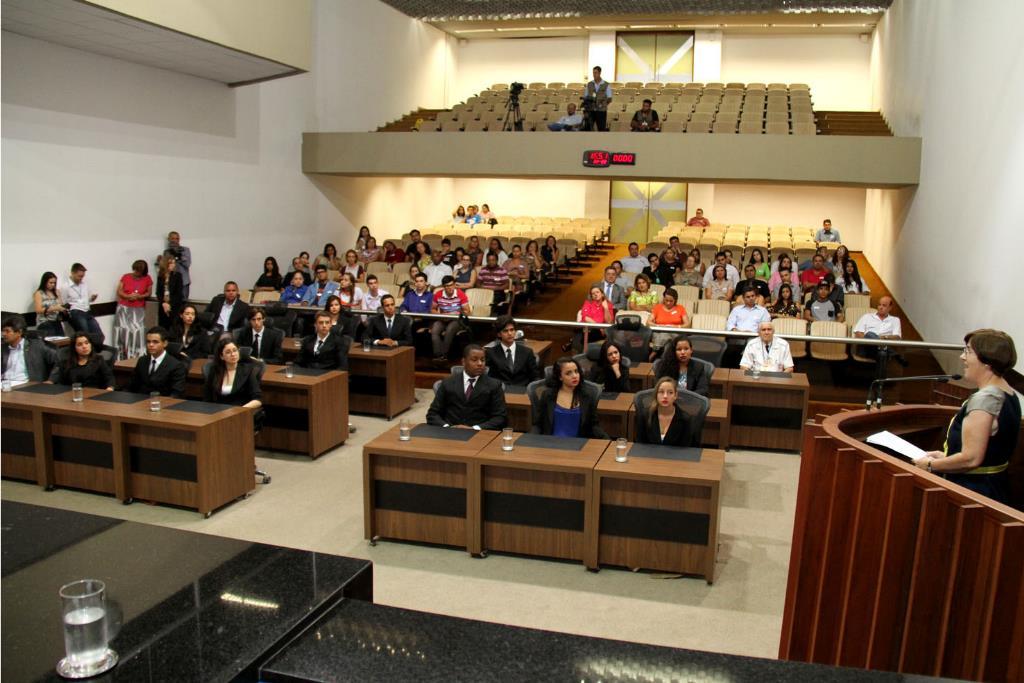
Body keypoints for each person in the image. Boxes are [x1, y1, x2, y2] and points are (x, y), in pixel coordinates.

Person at [915, 330, 1020, 506]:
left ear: (987, 361)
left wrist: (930, 466)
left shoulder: (986, 399)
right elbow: (987, 453)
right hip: (993, 487)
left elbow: (971, 458)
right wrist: (945, 457)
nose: (962, 357)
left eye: (968, 351)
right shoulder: (1007, 391)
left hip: (972, 494)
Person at [426, 345, 507, 430]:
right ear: (463, 362)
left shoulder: (494, 385)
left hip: (479, 434)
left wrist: (475, 428)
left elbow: (500, 418)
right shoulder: (447, 382)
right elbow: (432, 414)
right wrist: (448, 427)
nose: (480, 363)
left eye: (482, 360)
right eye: (474, 360)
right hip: (450, 432)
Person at [531, 357, 609, 438]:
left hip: (578, 446)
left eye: (576, 371)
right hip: (551, 444)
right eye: (568, 373)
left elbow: (594, 426)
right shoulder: (547, 396)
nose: (574, 376)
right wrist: (529, 440)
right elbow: (538, 425)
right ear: (560, 377)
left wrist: (608, 441)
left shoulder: (588, 396)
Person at [203, 337, 263, 412]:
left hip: (240, 412)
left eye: (235, 350)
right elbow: (207, 398)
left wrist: (241, 410)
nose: (233, 354)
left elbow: (258, 399)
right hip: (217, 412)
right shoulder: (214, 371)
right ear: (222, 356)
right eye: (228, 352)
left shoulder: (248, 370)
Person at [128, 326, 187, 397]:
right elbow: (132, 385)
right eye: (148, 342)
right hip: (139, 402)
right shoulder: (142, 360)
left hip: (162, 404)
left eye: (155, 342)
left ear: (165, 343)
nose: (151, 345)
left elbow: (176, 393)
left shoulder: (176, 365)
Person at [634, 377, 693, 446]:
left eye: (670, 393)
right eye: (661, 392)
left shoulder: (685, 419)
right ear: (656, 395)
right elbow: (639, 445)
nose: (665, 396)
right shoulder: (645, 415)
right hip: (649, 456)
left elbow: (686, 449)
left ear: (675, 396)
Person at [114, 259, 153, 359]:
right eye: (135, 270)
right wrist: (127, 296)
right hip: (124, 308)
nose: (136, 273)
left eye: (139, 271)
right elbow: (119, 291)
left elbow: (149, 293)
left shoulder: (147, 278)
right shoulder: (126, 276)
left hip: (138, 309)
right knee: (123, 332)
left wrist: (139, 296)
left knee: (137, 332)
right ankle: (122, 356)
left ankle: (137, 357)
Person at [485, 315, 539, 386]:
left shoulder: (527, 352)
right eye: (505, 331)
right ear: (499, 334)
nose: (510, 333)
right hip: (500, 391)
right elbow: (488, 378)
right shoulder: (491, 353)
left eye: (512, 330)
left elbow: (535, 377)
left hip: (522, 391)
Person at [2, 315, 57, 385]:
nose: (3, 334)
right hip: (4, 384)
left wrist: (51, 380)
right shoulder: (2, 348)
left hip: (26, 385)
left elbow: (57, 361)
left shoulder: (36, 346)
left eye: (7, 331)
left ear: (19, 332)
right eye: (3, 331)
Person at [49, 331, 114, 389]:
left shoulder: (98, 360)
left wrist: (109, 388)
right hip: (72, 395)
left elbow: (109, 379)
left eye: (87, 343)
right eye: (80, 344)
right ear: (74, 348)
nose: (84, 346)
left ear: (91, 344)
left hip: (94, 396)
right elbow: (61, 383)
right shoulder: (66, 363)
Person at [430, 276, 470, 363]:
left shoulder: (460, 294)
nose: (449, 288)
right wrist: (440, 315)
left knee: (450, 329)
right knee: (435, 329)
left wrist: (454, 314)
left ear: (455, 285)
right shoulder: (438, 294)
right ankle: (437, 355)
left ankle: (444, 356)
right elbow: (432, 309)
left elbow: (467, 311)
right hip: (443, 319)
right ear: (444, 287)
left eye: (451, 285)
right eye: (447, 286)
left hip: (456, 320)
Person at [60, 263, 104, 344]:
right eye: (79, 276)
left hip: (87, 311)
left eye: (82, 276)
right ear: (72, 273)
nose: (81, 278)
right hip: (76, 312)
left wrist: (91, 299)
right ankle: (88, 354)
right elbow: (63, 302)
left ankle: (95, 352)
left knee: (99, 335)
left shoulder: (84, 284)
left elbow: (85, 299)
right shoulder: (65, 287)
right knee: (85, 335)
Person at [33, 271, 66, 338]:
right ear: (45, 282)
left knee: (62, 339)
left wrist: (63, 308)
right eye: (50, 283)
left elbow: (60, 304)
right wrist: (53, 308)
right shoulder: (39, 293)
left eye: (54, 283)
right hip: (44, 321)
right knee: (52, 339)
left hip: (56, 320)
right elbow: (38, 310)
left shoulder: (57, 292)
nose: (53, 284)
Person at [155, 253, 184, 330]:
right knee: (162, 327)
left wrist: (169, 304)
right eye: (171, 263)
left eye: (174, 263)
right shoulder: (160, 276)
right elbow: (158, 292)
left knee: (173, 327)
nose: (173, 265)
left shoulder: (178, 275)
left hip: (174, 306)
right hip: (163, 306)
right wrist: (163, 303)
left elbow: (179, 293)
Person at [583, 66, 613, 132]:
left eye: (596, 73)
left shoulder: (606, 84)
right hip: (590, 110)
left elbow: (609, 98)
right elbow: (585, 97)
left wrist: (603, 104)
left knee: (601, 128)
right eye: (593, 73)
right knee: (588, 128)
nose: (594, 74)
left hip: (601, 111)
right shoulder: (589, 84)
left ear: (600, 73)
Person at [164, 231, 192, 298]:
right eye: (173, 238)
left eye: (177, 239)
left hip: (183, 282)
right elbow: (165, 267)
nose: (175, 241)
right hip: (171, 282)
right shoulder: (166, 252)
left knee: (183, 303)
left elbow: (187, 264)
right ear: (169, 239)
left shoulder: (185, 250)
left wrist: (178, 256)